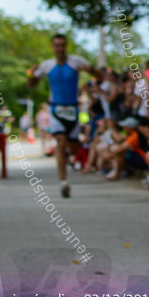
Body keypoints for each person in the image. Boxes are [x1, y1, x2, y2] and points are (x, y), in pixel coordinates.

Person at [28, 34, 100, 198]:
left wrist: (91, 70)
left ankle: (73, 157)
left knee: (73, 147)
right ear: (53, 47)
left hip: (73, 110)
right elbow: (31, 84)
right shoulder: (47, 65)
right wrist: (31, 74)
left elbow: (97, 73)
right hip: (56, 110)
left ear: (66, 46)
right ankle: (63, 182)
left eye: (62, 45)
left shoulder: (76, 62)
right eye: (56, 45)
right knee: (60, 141)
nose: (59, 48)